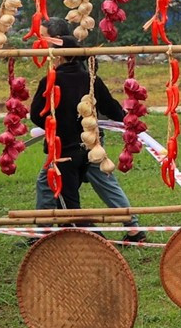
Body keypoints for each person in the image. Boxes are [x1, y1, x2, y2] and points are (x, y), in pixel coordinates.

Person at [29, 18, 144, 239]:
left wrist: (54, 127)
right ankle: (134, 227)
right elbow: (112, 108)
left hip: (62, 148)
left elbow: (36, 115)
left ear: (60, 55)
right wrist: (130, 123)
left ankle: (85, 234)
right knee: (104, 184)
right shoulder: (91, 79)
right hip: (91, 144)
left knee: (62, 192)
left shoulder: (50, 80)